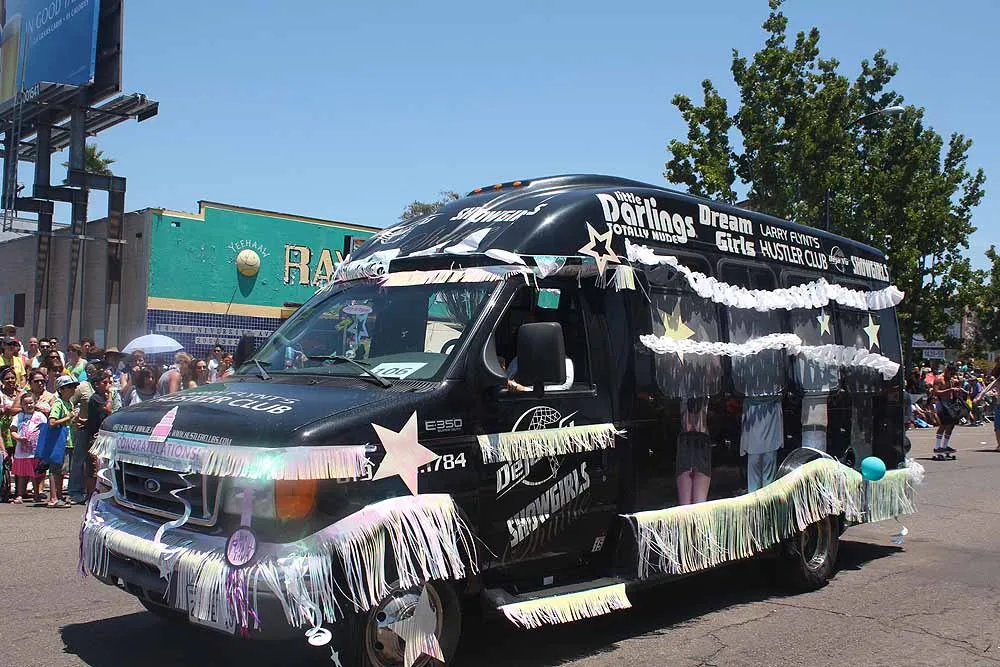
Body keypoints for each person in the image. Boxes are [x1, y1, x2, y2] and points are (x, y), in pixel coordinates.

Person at [46, 375, 79, 508]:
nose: (73, 389)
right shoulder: (58, 404)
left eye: (74, 387)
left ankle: (59, 496)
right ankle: (54, 498)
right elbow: (52, 422)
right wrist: (68, 417)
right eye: (69, 387)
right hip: (59, 442)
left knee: (62, 471)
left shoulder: (69, 403)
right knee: (56, 470)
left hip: (68, 441)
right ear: (61, 389)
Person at [67, 364, 98, 504]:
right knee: (79, 460)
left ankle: (95, 492)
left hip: (99, 429)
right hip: (83, 429)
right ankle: (75, 491)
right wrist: (75, 419)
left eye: (96, 369)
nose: (92, 372)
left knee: (96, 463)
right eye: (90, 370)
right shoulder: (82, 387)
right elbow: (69, 403)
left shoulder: (106, 387)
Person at [82, 372, 114, 500]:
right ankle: (90, 494)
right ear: (96, 384)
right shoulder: (96, 398)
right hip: (94, 437)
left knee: (103, 465)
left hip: (104, 435)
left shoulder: (101, 397)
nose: (108, 385)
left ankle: (100, 491)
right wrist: (110, 395)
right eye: (104, 383)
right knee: (93, 466)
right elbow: (108, 409)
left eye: (109, 382)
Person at [10, 392, 45, 504]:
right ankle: (20, 494)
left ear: (35, 403)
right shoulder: (18, 416)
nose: (29, 405)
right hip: (22, 451)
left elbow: (45, 430)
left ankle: (37, 494)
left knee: (35, 474)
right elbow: (13, 431)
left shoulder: (40, 416)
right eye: (25, 403)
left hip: (35, 450)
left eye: (31, 403)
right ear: (22, 405)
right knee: (21, 474)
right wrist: (19, 438)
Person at [931, 365, 967, 459]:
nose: (952, 375)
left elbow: (954, 390)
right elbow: (936, 392)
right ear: (946, 370)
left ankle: (944, 446)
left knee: (951, 425)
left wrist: (958, 388)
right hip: (941, 403)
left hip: (950, 404)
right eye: (951, 373)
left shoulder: (951, 380)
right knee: (943, 424)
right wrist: (950, 390)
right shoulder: (939, 379)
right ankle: (937, 447)